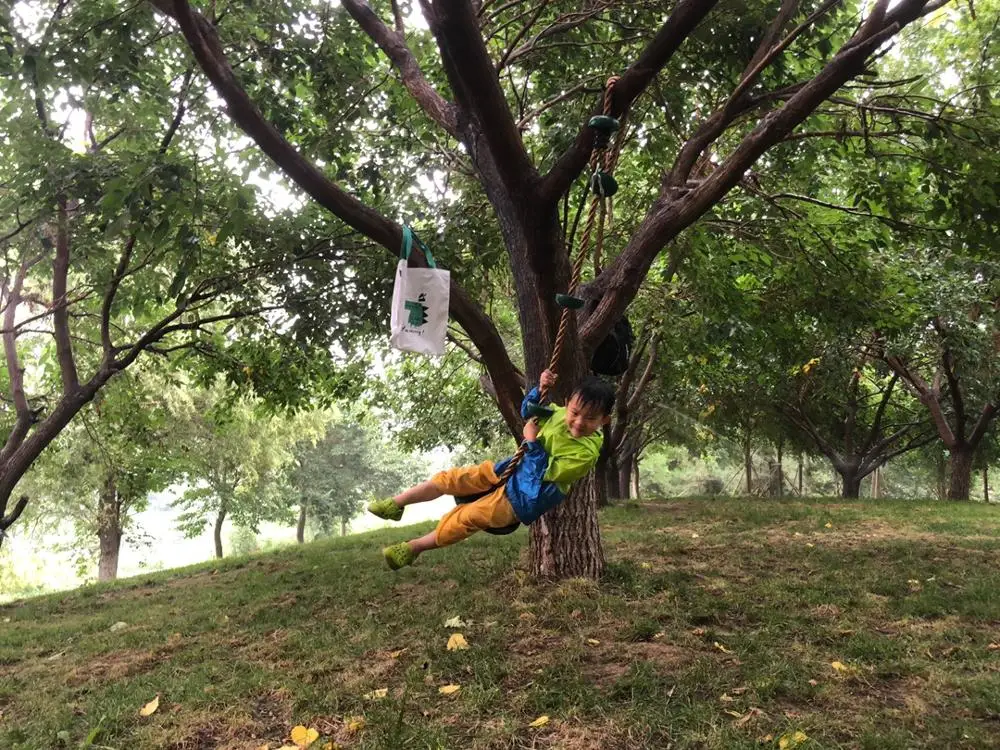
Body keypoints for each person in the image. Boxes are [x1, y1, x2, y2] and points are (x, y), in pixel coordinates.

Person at [367, 370, 616, 569]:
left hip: (525, 496)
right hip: (512, 467)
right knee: (452, 478)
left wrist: (530, 442)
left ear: (604, 420)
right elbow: (527, 411)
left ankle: (413, 548)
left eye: (590, 418)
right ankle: (396, 504)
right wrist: (540, 389)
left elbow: (548, 473)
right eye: (575, 412)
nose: (579, 421)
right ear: (567, 403)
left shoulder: (586, 453)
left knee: (468, 517)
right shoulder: (559, 414)